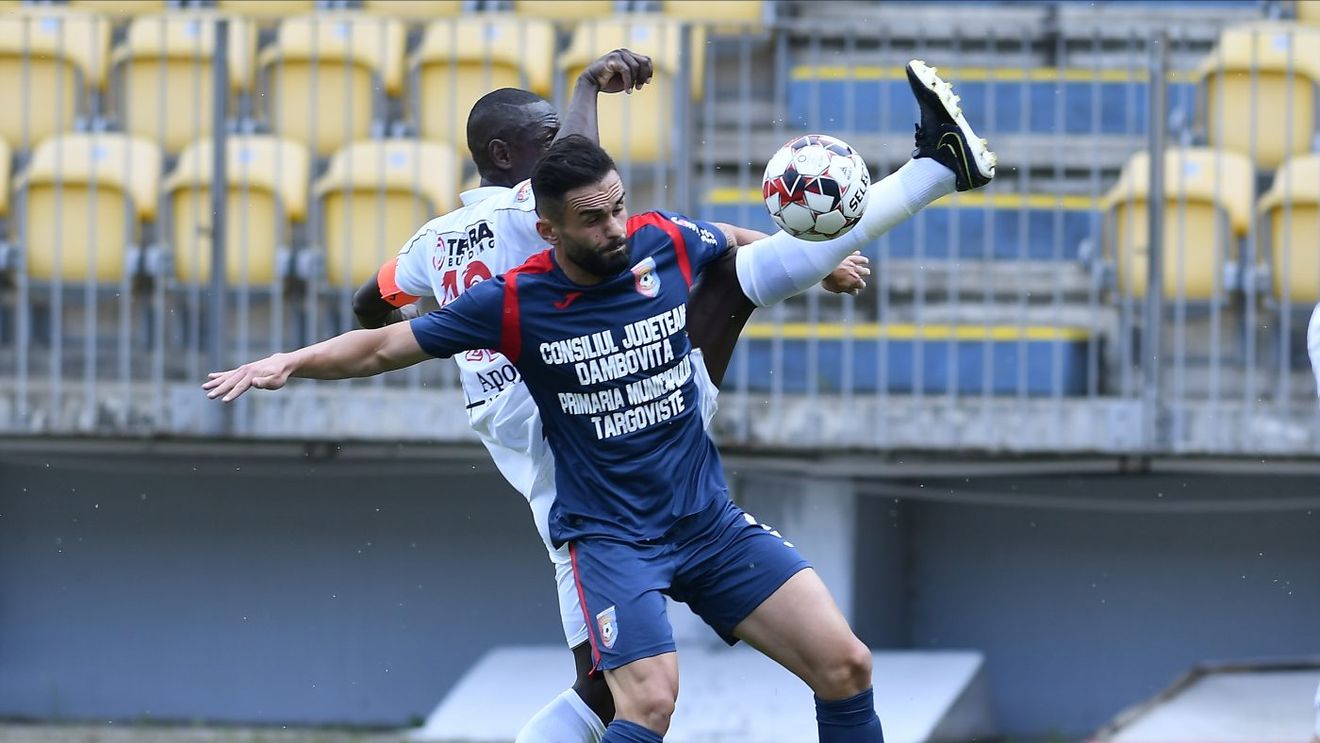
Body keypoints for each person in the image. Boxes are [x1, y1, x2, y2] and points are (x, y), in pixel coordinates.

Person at [205, 60, 995, 742]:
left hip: (637, 480)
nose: (616, 223)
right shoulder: (525, 268)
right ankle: (934, 172)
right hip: (583, 479)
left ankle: (938, 169)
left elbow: (372, 304)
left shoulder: (446, 240)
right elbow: (382, 343)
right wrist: (293, 362)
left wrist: (365, 323)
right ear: (535, 197)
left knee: (829, 663)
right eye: (590, 207)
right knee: (631, 698)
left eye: (618, 205)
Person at [348, 52, 866, 743]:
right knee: (718, 286)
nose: (565, 143)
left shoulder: (431, 240)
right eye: (548, 135)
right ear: (507, 155)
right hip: (578, 426)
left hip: (527, 447)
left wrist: (416, 322)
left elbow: (372, 296)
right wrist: (590, 85)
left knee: (603, 687)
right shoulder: (533, 208)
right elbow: (580, 162)